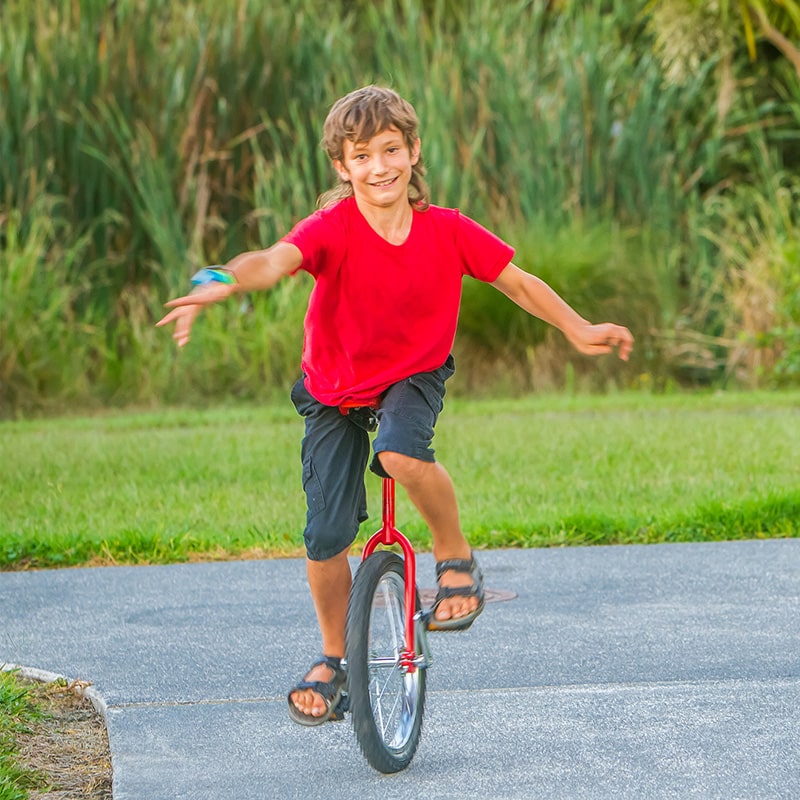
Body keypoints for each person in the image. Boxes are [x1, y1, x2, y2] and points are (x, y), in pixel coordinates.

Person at [157, 85, 634, 726]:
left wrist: (578, 328)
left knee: (401, 455)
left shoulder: (448, 230)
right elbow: (271, 261)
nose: (379, 167)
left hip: (415, 373)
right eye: (362, 156)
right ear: (341, 166)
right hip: (333, 389)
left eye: (390, 149)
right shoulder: (331, 229)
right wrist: (216, 280)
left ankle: (456, 557)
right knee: (326, 537)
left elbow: (518, 282)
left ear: (412, 150)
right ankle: (334, 660)